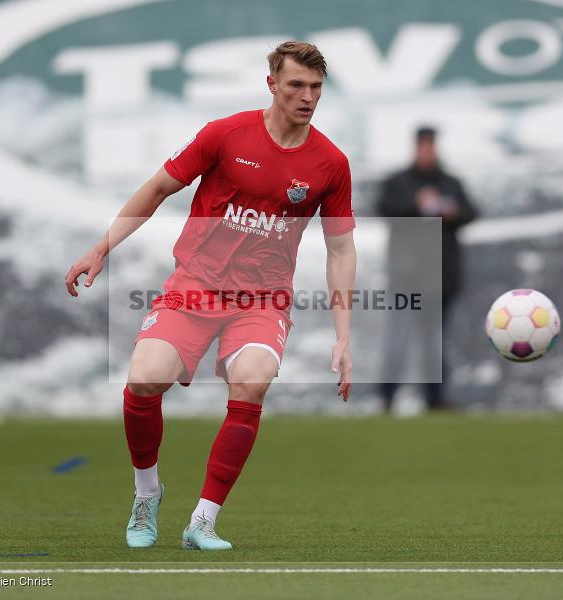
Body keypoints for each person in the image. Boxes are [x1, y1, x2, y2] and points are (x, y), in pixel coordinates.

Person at [64, 41, 356, 551]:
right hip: (194, 288)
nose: (307, 97)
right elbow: (157, 189)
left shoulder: (329, 163)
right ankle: (146, 493)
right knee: (144, 380)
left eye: (315, 88)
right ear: (272, 84)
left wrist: (343, 336)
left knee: (253, 381)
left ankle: (202, 520)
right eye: (296, 86)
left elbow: (340, 249)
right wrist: (101, 247)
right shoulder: (226, 134)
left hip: (263, 301)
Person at [377, 126, 477, 413]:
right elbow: (385, 208)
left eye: (431, 146)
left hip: (441, 279)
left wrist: (452, 212)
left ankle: (435, 400)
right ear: (416, 147)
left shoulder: (450, 183)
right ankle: (387, 399)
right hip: (406, 278)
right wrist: (418, 205)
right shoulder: (398, 182)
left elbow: (471, 212)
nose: (428, 151)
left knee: (435, 343)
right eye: (424, 146)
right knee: (399, 340)